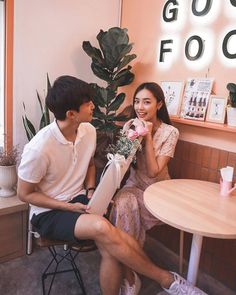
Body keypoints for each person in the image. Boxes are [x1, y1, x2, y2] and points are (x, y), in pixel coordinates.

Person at [17, 76, 206, 295]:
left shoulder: (87, 131)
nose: (93, 106)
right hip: (49, 212)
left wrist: (90, 191)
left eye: (147, 102)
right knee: (103, 227)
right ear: (71, 114)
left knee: (110, 246)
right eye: (88, 103)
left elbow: (89, 164)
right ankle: (167, 279)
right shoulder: (38, 148)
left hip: (80, 199)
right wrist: (68, 207)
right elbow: (24, 194)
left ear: (159, 104)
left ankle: (132, 278)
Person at [110, 82, 180, 294]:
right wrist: (129, 136)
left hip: (158, 193)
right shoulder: (130, 126)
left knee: (124, 214)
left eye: (147, 102)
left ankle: (128, 271)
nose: (140, 107)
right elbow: (120, 164)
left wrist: (147, 136)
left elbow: (153, 171)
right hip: (133, 186)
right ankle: (130, 275)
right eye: (137, 101)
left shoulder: (170, 132)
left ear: (159, 104)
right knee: (123, 204)